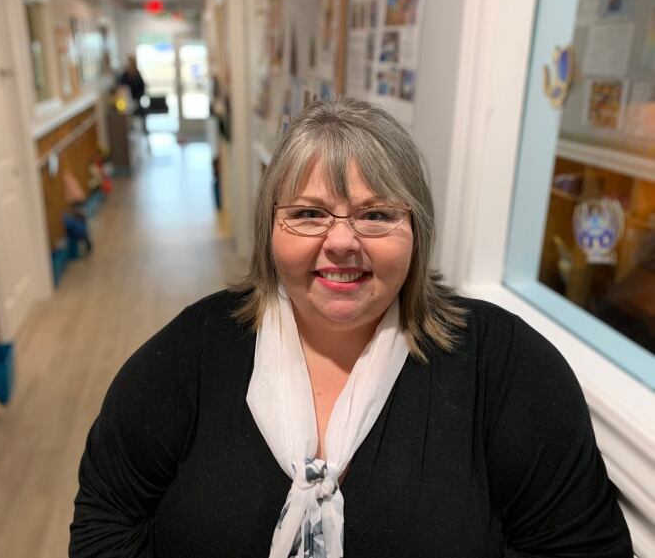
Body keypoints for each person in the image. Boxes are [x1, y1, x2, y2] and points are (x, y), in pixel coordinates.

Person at [69, 98, 632, 557]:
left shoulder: (507, 368)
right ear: (271, 228)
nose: (341, 241)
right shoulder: (195, 349)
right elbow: (106, 517)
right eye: (309, 213)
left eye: (376, 214)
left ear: (417, 230)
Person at [119, 55, 148, 135]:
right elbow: (121, 88)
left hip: (136, 100)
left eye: (129, 63)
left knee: (141, 114)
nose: (127, 65)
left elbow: (142, 88)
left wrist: (137, 97)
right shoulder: (124, 76)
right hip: (127, 101)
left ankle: (143, 132)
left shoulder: (138, 75)